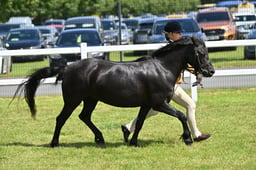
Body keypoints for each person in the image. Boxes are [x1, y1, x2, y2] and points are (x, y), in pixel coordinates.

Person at [121, 21, 211, 143]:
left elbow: (186, 64)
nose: (180, 34)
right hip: (167, 85)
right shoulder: (170, 48)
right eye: (178, 32)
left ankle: (128, 128)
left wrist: (197, 72)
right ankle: (196, 134)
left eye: (180, 32)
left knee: (153, 110)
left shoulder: (178, 47)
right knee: (190, 105)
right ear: (170, 34)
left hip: (171, 84)